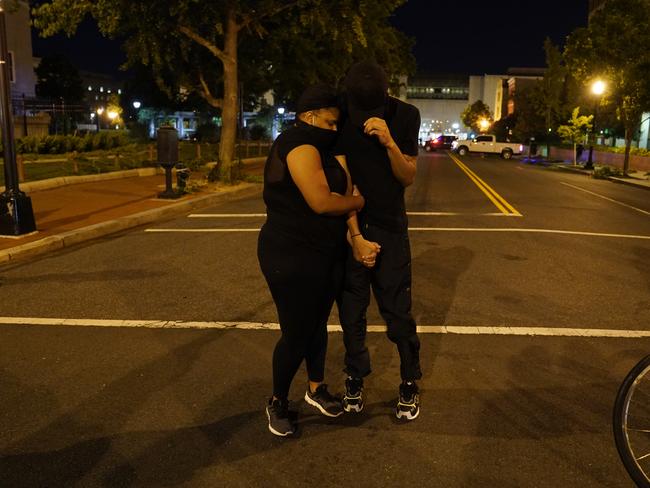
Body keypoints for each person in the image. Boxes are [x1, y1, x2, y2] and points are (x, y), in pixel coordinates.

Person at [258, 84, 365, 437]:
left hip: (325, 252)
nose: (335, 130)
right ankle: (277, 400)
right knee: (296, 333)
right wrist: (356, 204)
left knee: (318, 323)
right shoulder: (299, 145)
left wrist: (348, 213)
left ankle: (316, 388)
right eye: (330, 123)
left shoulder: (324, 147)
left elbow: (342, 188)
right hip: (290, 253)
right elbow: (322, 201)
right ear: (308, 116)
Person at [336, 60, 423, 420]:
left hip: (390, 227)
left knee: (397, 313)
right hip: (350, 227)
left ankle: (408, 381)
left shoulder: (405, 116)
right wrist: (355, 237)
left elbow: (408, 177)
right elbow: (342, 184)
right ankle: (354, 378)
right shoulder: (339, 114)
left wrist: (389, 142)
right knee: (352, 314)